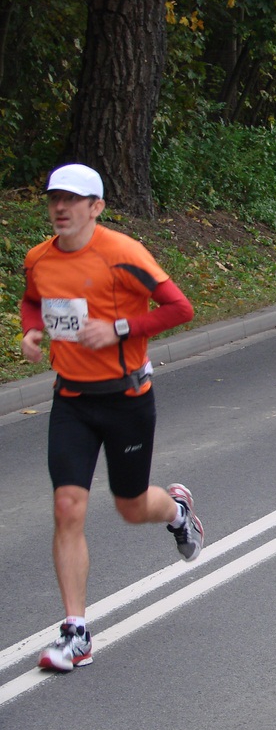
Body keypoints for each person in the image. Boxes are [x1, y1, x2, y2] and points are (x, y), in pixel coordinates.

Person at [20, 164, 202, 672]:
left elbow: (179, 307)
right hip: (72, 400)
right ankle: (75, 632)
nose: (61, 207)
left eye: (73, 199)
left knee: (130, 506)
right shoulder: (39, 258)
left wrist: (120, 327)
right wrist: (33, 332)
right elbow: (34, 302)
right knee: (68, 507)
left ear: (96, 207)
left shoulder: (123, 253)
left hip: (126, 398)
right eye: (55, 197)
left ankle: (177, 511)